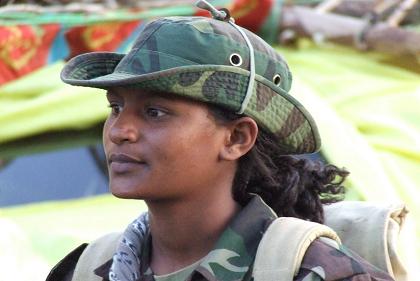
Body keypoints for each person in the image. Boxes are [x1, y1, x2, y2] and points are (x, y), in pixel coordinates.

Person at [48, 3, 394, 281]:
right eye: (116, 107)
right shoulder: (89, 269)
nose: (119, 131)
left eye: (154, 112)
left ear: (236, 138)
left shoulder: (315, 272)